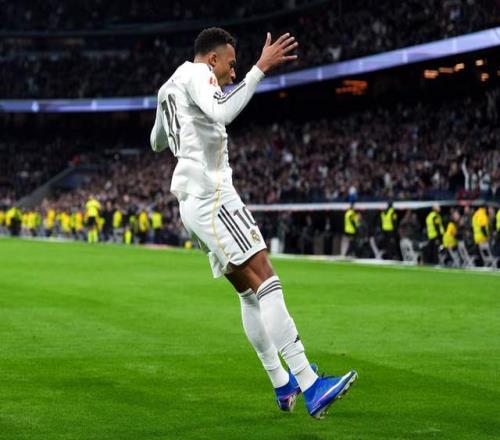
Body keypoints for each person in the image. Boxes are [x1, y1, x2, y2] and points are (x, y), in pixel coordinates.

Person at [150, 27, 356, 419]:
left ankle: (282, 382)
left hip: (191, 203)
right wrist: (259, 69)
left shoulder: (168, 87)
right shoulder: (199, 74)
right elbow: (223, 111)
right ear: (212, 58)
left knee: (247, 293)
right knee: (266, 278)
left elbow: (156, 142)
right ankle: (311, 384)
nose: (233, 72)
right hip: (212, 196)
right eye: (230, 64)